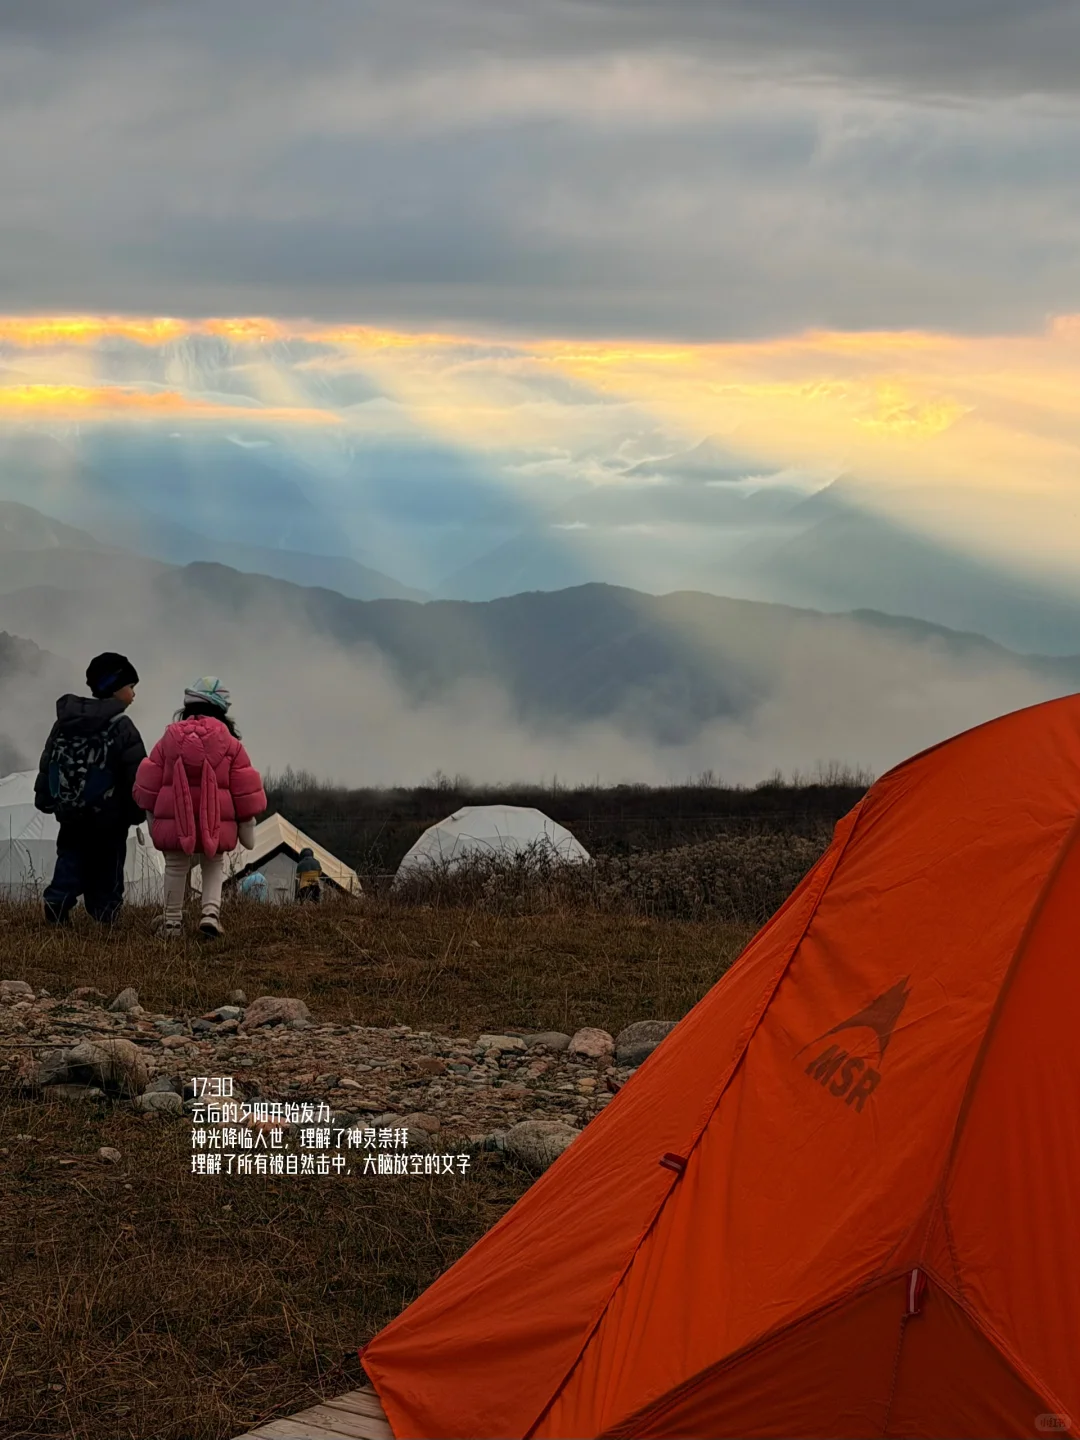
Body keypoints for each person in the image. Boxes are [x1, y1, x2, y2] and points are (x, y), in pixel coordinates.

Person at [134, 677, 266, 939]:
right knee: (213, 862)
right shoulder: (230, 743)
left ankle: (172, 922)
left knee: (175, 865)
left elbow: (148, 780)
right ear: (221, 710)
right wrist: (246, 821)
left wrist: (151, 814)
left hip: (175, 819)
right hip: (217, 820)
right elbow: (244, 785)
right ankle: (210, 914)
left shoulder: (169, 738)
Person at [34, 651, 147, 926]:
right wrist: (136, 811)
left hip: (70, 809)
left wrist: (45, 797)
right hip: (110, 815)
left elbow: (49, 760)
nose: (134, 694)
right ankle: (106, 914)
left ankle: (58, 899)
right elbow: (136, 773)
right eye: (131, 687)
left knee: (70, 856)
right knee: (108, 866)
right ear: (115, 687)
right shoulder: (122, 726)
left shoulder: (66, 721)